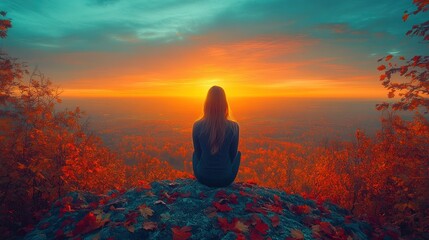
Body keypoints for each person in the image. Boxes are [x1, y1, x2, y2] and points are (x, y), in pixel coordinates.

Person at [192, 86, 241, 188]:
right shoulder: (234, 127)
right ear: (225, 104)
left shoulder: (197, 125)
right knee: (238, 154)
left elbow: (198, 153)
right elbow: (232, 155)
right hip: (226, 179)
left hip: (203, 177)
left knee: (194, 154)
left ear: (206, 104)